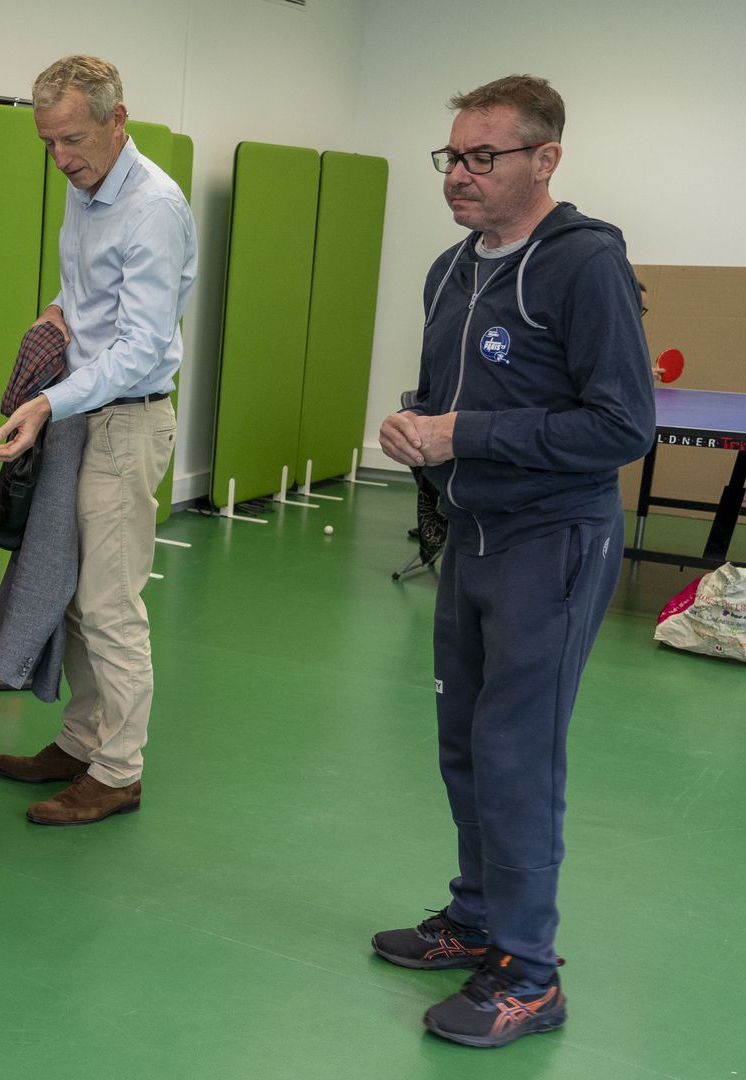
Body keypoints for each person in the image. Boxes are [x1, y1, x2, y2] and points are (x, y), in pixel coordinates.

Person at [372, 74, 652, 1049]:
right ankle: (478, 918)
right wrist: (416, 427)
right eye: (453, 154)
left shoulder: (585, 265)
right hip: (475, 539)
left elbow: (622, 424)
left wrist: (468, 433)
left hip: (554, 544)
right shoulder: (451, 270)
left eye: (483, 156)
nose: (460, 174)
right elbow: (446, 395)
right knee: (465, 743)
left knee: (517, 758)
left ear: (546, 159)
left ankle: (531, 976)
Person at [0, 55, 196, 827]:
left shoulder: (153, 209)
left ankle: (118, 770)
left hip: (126, 418)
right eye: (48, 143)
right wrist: (53, 315)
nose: (61, 157)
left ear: (117, 120)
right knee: (72, 590)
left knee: (110, 604)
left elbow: (140, 346)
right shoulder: (87, 188)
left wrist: (46, 399)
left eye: (72, 138)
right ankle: (80, 741)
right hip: (82, 413)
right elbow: (87, 295)